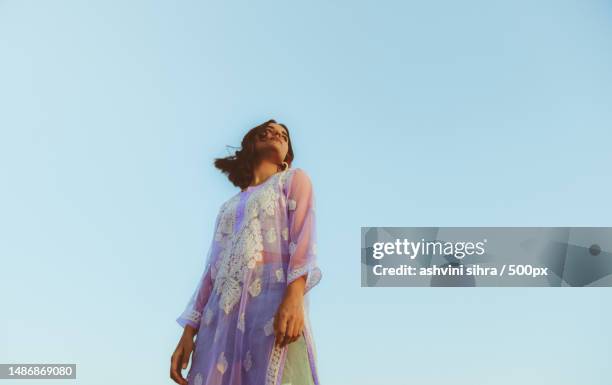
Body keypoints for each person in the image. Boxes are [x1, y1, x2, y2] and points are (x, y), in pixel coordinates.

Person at [170, 119, 322, 385]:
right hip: (218, 323)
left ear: (288, 154)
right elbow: (211, 270)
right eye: (268, 130)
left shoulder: (293, 180)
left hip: (271, 309)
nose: (276, 133)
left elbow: (303, 240)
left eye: (284, 134)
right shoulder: (228, 207)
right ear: (251, 144)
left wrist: (295, 296)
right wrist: (189, 331)